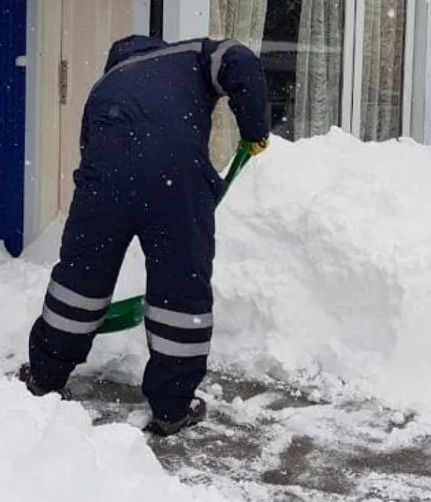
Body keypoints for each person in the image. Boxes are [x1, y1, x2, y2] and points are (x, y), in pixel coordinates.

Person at [17, 33, 270, 437]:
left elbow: (91, 147)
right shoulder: (194, 56)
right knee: (179, 291)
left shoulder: (105, 85)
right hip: (177, 181)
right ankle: (172, 407)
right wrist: (255, 126)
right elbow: (239, 60)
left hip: (105, 184)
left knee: (79, 284)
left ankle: (45, 377)